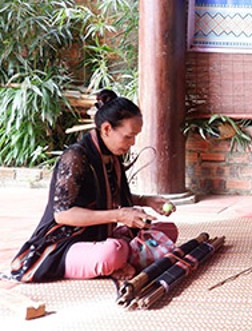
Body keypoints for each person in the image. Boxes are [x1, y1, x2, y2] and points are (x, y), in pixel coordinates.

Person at [9, 89, 178, 282]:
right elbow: (63, 214)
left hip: (99, 234)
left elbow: (111, 196)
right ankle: (115, 259)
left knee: (167, 230)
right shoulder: (75, 157)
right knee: (113, 252)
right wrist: (120, 215)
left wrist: (147, 201)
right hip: (63, 244)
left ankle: (118, 257)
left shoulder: (111, 157)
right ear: (106, 129)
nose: (132, 143)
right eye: (128, 136)